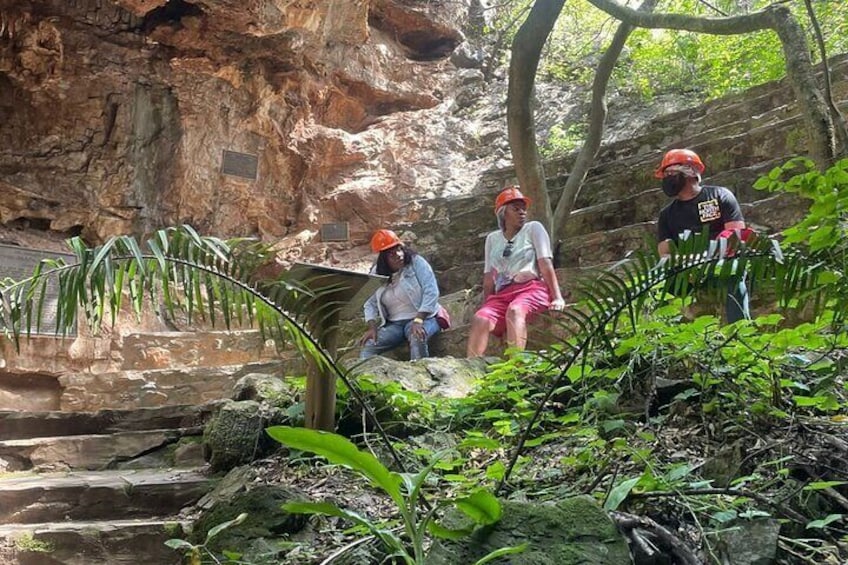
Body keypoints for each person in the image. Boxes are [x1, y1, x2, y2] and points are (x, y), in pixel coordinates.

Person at [467, 186, 565, 357]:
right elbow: (489, 277)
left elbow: (545, 263)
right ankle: (471, 371)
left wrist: (557, 297)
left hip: (531, 290)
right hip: (501, 295)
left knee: (515, 310)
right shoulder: (492, 239)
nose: (522, 212)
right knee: (480, 318)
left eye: (523, 208)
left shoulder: (534, 228)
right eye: (516, 208)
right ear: (503, 213)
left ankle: (515, 369)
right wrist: (487, 304)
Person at [654, 148, 751, 323]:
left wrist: (705, 259)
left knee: (733, 274)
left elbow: (736, 237)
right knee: (657, 287)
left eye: (671, 172)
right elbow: (665, 254)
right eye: (665, 174)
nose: (668, 178)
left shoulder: (719, 195)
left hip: (722, 263)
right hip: (687, 271)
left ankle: (740, 331)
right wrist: (689, 264)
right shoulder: (666, 215)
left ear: (691, 171)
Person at [359, 229, 445, 360]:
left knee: (417, 337)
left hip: (425, 318)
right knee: (369, 346)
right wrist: (372, 327)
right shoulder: (376, 272)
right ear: (383, 259)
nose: (399, 255)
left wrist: (419, 319)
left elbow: (431, 291)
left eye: (399, 249)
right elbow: (369, 302)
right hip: (395, 324)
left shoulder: (417, 262)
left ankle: (419, 375)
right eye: (392, 254)